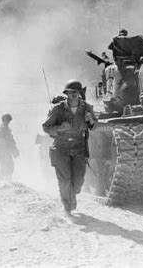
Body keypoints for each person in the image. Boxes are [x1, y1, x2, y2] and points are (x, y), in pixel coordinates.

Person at [42, 79, 97, 216]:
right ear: (66, 93)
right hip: (61, 147)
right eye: (71, 92)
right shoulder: (57, 109)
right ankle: (67, 205)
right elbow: (46, 127)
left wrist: (90, 120)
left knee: (78, 182)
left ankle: (72, 195)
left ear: (79, 93)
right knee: (65, 179)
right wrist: (60, 128)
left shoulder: (87, 107)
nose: (73, 94)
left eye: (76, 92)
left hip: (79, 146)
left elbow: (94, 126)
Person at [0, 114, 19, 181]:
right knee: (6, 166)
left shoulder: (6, 129)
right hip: (1, 151)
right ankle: (1, 180)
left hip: (5, 151)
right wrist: (6, 142)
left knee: (9, 166)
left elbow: (11, 140)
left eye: (9, 121)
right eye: (7, 120)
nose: (8, 122)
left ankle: (5, 180)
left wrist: (14, 149)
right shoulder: (2, 129)